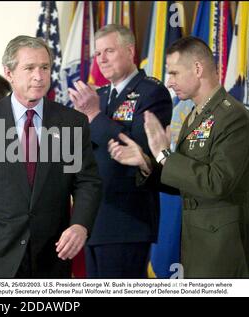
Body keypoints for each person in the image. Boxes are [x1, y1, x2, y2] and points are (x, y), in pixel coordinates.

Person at [0, 35, 102, 278]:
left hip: (51, 259)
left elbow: (87, 182)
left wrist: (80, 225)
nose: (39, 75)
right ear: (9, 72)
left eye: (45, 67)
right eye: (29, 68)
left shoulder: (72, 123)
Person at [108, 36, 249, 278]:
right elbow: (184, 180)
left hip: (223, 250)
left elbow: (216, 183)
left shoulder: (234, 117)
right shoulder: (195, 117)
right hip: (196, 245)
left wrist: (165, 155)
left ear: (197, 69)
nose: (169, 82)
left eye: (174, 73)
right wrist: (146, 162)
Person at [67, 24, 172, 278]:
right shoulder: (99, 95)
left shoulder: (152, 92)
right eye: (98, 53)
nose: (101, 59)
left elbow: (139, 151)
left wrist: (93, 115)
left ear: (130, 51)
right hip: (94, 219)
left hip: (126, 220)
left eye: (109, 51)